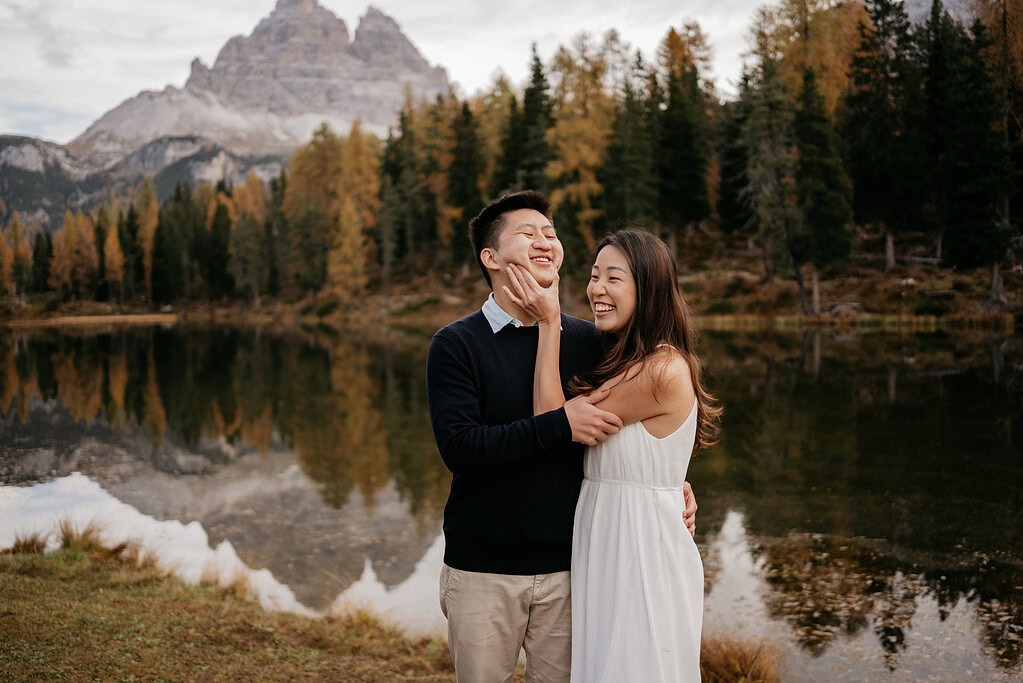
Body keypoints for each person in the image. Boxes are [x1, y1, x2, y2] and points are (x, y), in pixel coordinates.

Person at [426, 191, 698, 682]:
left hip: (573, 569)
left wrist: (669, 483)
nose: (544, 242)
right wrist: (560, 424)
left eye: (550, 234)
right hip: (484, 569)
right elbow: (461, 449)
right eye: (527, 234)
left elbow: (641, 428)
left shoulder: (592, 340)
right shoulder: (456, 344)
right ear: (491, 258)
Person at [504, 227, 722, 682]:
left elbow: (552, 420)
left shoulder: (661, 370)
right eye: (593, 275)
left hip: (639, 547)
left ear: (649, 290)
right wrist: (674, 484)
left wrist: (549, 322)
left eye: (613, 278)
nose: (597, 288)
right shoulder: (630, 361)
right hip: (615, 537)